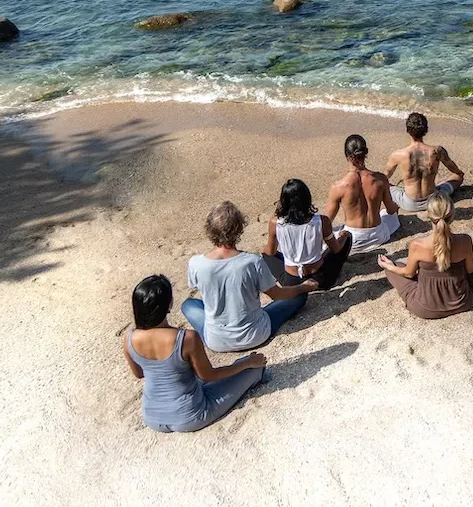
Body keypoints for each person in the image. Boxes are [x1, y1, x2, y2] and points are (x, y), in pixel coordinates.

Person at [124, 275, 268, 433]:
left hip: (152, 416)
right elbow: (208, 376)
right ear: (169, 304)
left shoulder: (129, 338)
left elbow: (139, 373)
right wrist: (247, 363)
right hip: (190, 415)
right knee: (254, 369)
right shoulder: (186, 338)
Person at [183, 201, 317, 352]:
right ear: (239, 228)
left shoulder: (196, 263)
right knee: (299, 296)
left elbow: (197, 285)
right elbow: (277, 294)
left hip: (217, 341)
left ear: (210, 229)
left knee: (188, 305)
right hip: (255, 334)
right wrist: (303, 287)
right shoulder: (252, 261)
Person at [378, 193, 473, 319]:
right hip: (462, 303)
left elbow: (408, 274)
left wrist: (390, 267)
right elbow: (470, 270)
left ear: (429, 215)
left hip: (426, 308)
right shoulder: (465, 240)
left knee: (396, 267)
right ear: (452, 215)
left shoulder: (417, 245)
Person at [262, 179, 352, 289]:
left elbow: (271, 252)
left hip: (291, 282)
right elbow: (336, 249)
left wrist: (264, 249)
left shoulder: (275, 223)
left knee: (266, 253)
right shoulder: (322, 221)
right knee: (347, 238)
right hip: (321, 279)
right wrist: (343, 236)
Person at [323, 135, 401, 254]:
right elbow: (390, 210)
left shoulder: (338, 186)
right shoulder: (380, 179)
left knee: (328, 233)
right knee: (387, 215)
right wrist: (396, 207)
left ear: (346, 155)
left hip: (352, 241)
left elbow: (327, 221)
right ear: (366, 153)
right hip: (378, 235)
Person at [385, 112, 465, 212]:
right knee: (459, 176)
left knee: (385, 185)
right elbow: (454, 169)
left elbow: (384, 177)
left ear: (408, 130)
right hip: (433, 201)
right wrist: (458, 173)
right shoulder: (437, 151)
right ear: (426, 131)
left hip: (409, 204)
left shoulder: (398, 155)